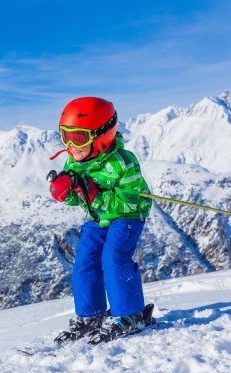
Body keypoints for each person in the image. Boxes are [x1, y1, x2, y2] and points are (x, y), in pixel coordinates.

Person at [49, 96, 155, 345]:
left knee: (113, 258)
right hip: (97, 219)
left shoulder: (123, 163)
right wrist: (65, 193)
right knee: (85, 260)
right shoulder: (74, 162)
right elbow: (78, 200)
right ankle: (90, 315)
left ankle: (130, 314)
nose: (70, 145)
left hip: (127, 217)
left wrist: (94, 195)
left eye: (78, 138)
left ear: (101, 135)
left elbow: (127, 203)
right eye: (65, 136)